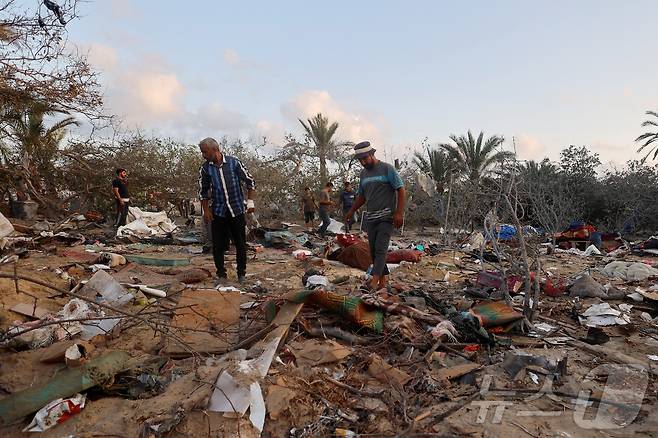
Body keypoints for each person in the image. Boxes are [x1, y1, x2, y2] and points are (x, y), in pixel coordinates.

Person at [344, 141, 406, 291]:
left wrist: (399, 212)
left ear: (372, 154)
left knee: (380, 250)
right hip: (371, 218)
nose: (363, 162)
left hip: (386, 217)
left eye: (365, 158)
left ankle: (374, 282)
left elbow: (401, 189)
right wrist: (351, 211)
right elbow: (362, 196)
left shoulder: (387, 169)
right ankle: (383, 282)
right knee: (373, 251)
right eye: (360, 160)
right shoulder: (363, 174)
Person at [198, 137, 256, 284]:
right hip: (218, 211)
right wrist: (206, 211)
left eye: (205, 152)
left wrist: (250, 201)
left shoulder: (234, 163)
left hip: (236, 209)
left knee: (240, 243)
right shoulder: (205, 169)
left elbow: (250, 181)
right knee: (218, 245)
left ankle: (241, 274)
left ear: (214, 149)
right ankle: (221, 275)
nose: (203, 155)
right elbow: (203, 192)